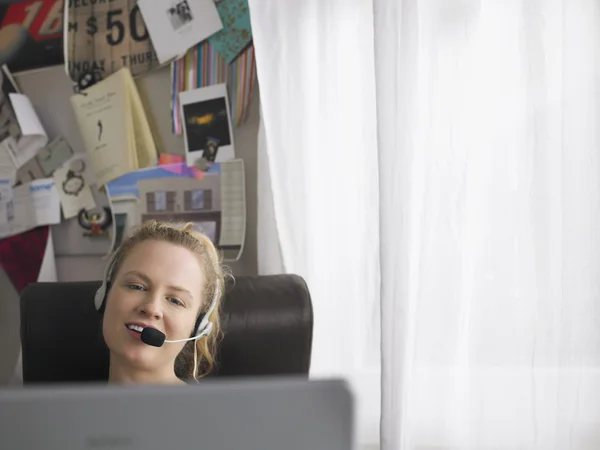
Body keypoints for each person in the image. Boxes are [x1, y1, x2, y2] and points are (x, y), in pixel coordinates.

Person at [99, 220, 227, 385]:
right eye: (137, 286)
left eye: (175, 300)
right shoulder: (65, 409)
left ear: (198, 325)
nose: (152, 308)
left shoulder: (214, 411)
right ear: (104, 295)